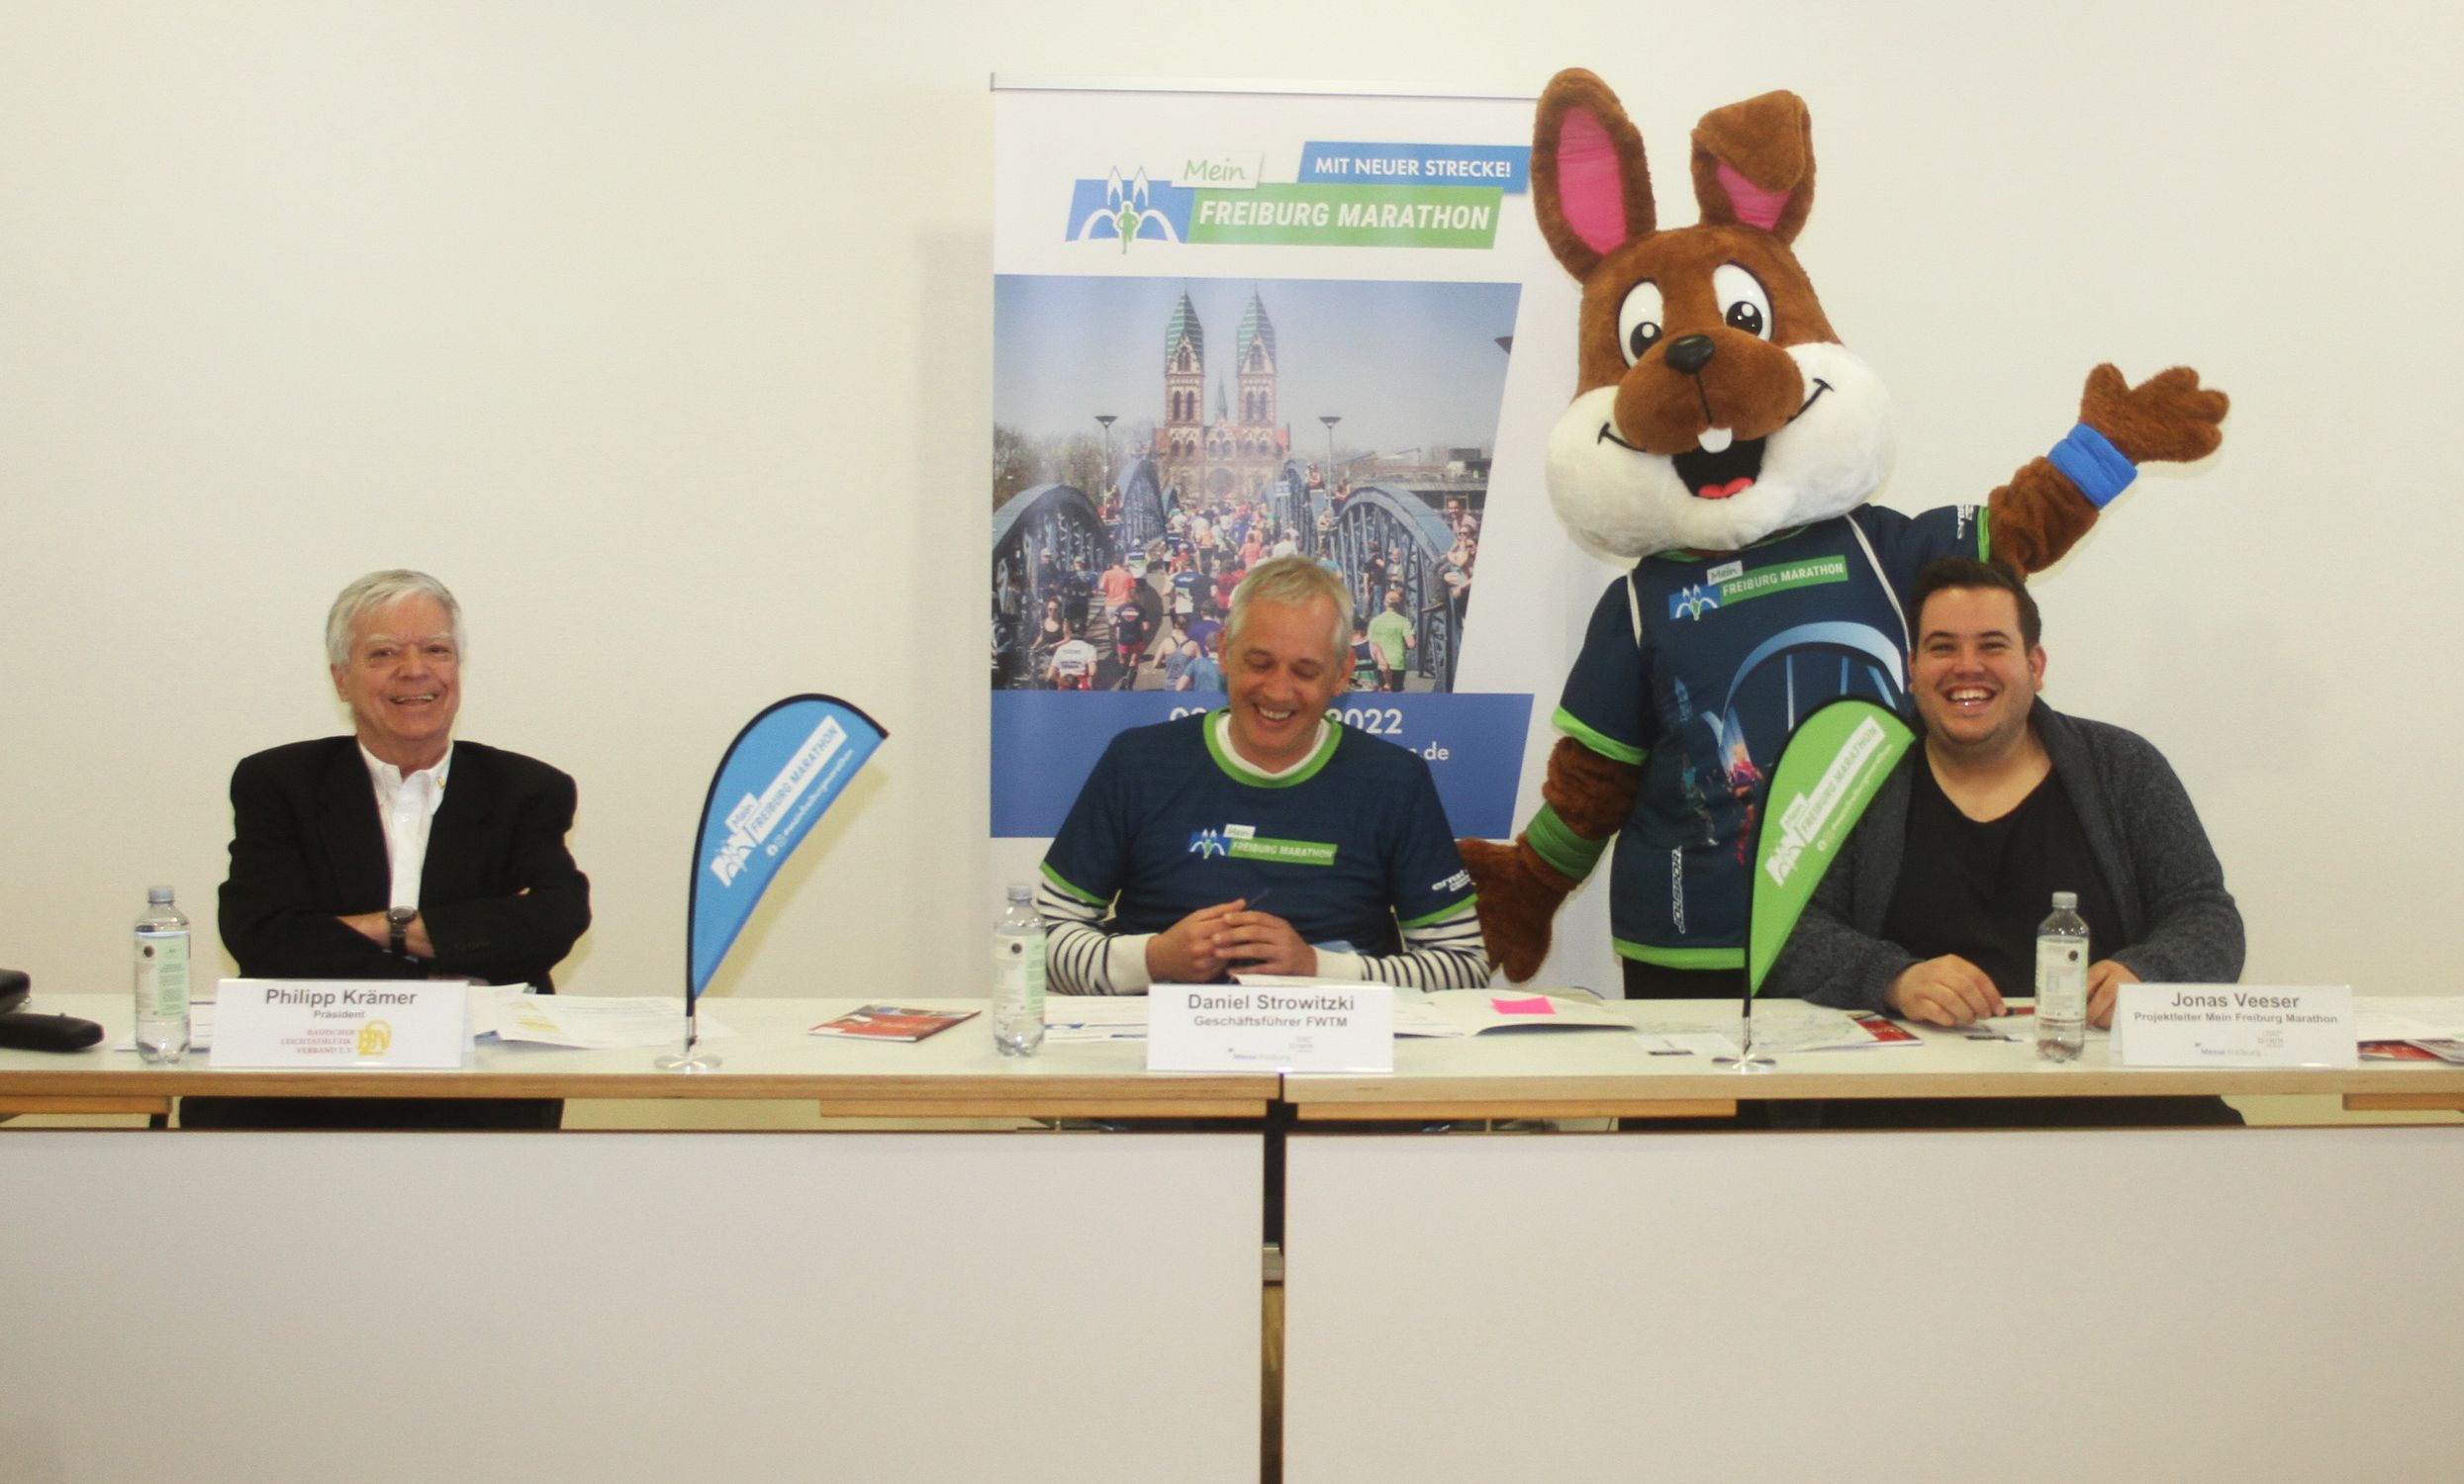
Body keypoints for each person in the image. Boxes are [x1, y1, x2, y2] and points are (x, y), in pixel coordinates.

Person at [1767, 558, 2243, 1030]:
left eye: (1992, 645)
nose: (1967, 666)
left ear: (2034, 666)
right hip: (1910, 1074)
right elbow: (1786, 933)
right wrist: (1892, 979)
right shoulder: (1854, 776)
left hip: (2092, 1066)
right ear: (1912, 669)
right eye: (1942, 647)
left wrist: (2147, 974)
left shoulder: (2124, 767)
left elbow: (2208, 917)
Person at [197, 569, 589, 1129]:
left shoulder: (527, 790)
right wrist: (442, 967)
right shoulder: (279, 783)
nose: (415, 670)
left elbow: (554, 920)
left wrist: (385, 929)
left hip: (478, 1081)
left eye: (436, 650)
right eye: (384, 653)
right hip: (307, 1072)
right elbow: (261, 936)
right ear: (341, 680)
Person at [1037, 556, 1485, 993]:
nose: (1278, 691)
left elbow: (1464, 966)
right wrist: (1154, 959)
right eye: (1260, 663)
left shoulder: (1395, 780)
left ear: (1342, 674)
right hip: (1156, 1040)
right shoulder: (1138, 761)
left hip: (1333, 1041)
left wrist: (1318, 969)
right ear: (1224, 652)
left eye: (1306, 671)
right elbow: (1038, 943)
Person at [1368, 587, 1415, 693]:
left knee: (1381, 693)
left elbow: (1371, 643)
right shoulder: (1404, 621)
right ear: (1399, 604)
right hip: (1398, 663)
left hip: (1380, 663)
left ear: (1384, 603)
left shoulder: (1375, 621)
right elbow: (1411, 644)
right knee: (1395, 694)